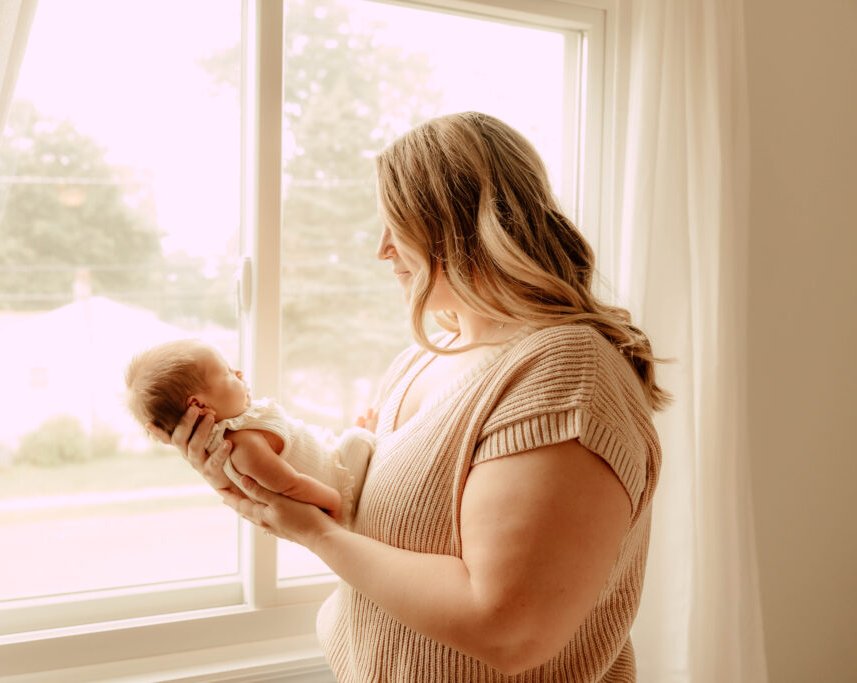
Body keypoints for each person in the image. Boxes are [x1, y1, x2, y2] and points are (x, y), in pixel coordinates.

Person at [154, 112, 666, 681]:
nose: (382, 251)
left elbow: (509, 628)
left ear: (457, 227)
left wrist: (311, 531)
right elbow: (379, 535)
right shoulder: (423, 358)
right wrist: (247, 472)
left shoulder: (565, 373)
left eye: (396, 227)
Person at [126, 339, 374, 527]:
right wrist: (335, 503)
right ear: (199, 405)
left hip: (328, 460)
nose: (239, 373)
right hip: (338, 488)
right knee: (359, 439)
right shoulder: (244, 445)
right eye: (227, 372)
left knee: (354, 438)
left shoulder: (239, 429)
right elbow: (292, 485)